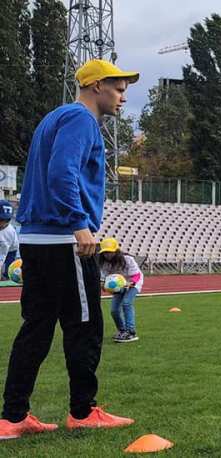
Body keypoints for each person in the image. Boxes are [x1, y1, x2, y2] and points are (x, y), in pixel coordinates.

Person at [0, 59, 138, 440]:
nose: (123, 97)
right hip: (65, 241)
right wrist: (79, 225)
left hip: (37, 239)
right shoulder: (81, 121)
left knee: (36, 328)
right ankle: (83, 411)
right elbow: (62, 172)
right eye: (118, 89)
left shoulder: (54, 118)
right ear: (96, 86)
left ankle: (12, 418)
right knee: (86, 326)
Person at [98, 237, 144, 343]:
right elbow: (103, 280)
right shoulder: (104, 264)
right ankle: (122, 330)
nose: (107, 255)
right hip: (118, 286)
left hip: (133, 283)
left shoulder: (128, 259)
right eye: (105, 252)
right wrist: (104, 286)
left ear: (116, 251)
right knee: (114, 310)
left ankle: (131, 332)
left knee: (127, 303)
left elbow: (136, 275)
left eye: (110, 252)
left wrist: (129, 283)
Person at [0, 201, 19, 281]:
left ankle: (6, 277)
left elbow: (2, 254)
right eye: (1, 219)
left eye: (7, 220)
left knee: (8, 270)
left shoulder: (8, 232)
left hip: (10, 249)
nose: (3, 224)